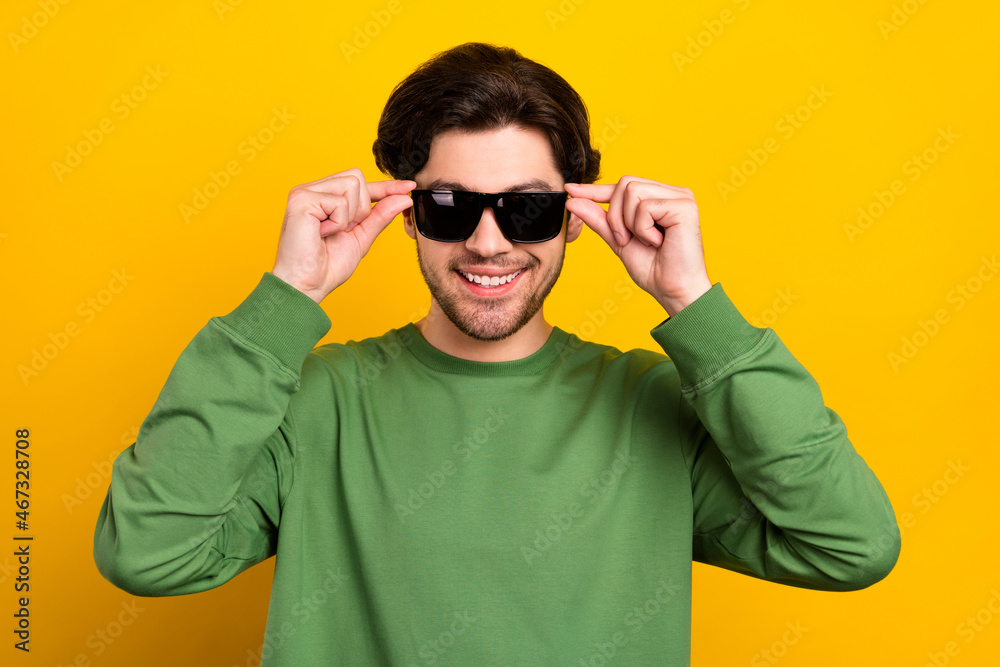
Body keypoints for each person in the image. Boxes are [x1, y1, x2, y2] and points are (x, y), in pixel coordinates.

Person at [93, 42, 901, 666]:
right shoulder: (317, 400)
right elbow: (146, 551)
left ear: (576, 214)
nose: (488, 240)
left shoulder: (652, 402)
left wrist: (696, 307)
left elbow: (850, 545)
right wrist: (286, 297)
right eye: (450, 206)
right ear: (405, 214)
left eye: (526, 208)